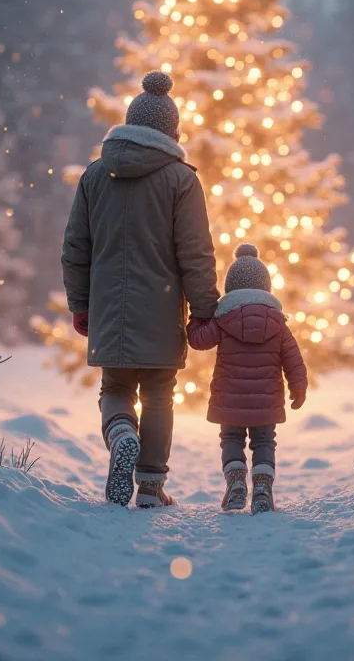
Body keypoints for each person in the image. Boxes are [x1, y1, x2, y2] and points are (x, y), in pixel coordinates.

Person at [62, 70, 219, 508]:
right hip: (162, 308)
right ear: (172, 131)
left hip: (108, 305)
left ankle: (120, 434)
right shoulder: (182, 180)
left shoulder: (95, 175)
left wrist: (80, 302)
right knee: (158, 394)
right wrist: (205, 310)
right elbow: (195, 252)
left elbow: (75, 246)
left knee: (114, 388)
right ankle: (150, 486)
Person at [187, 243, 308, 514]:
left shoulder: (223, 319)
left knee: (231, 440)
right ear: (266, 287)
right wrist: (298, 387)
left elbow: (197, 341)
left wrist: (196, 318)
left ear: (231, 288)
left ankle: (236, 481)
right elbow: (294, 359)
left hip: (229, 402)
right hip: (266, 403)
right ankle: (263, 487)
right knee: (264, 442)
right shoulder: (278, 323)